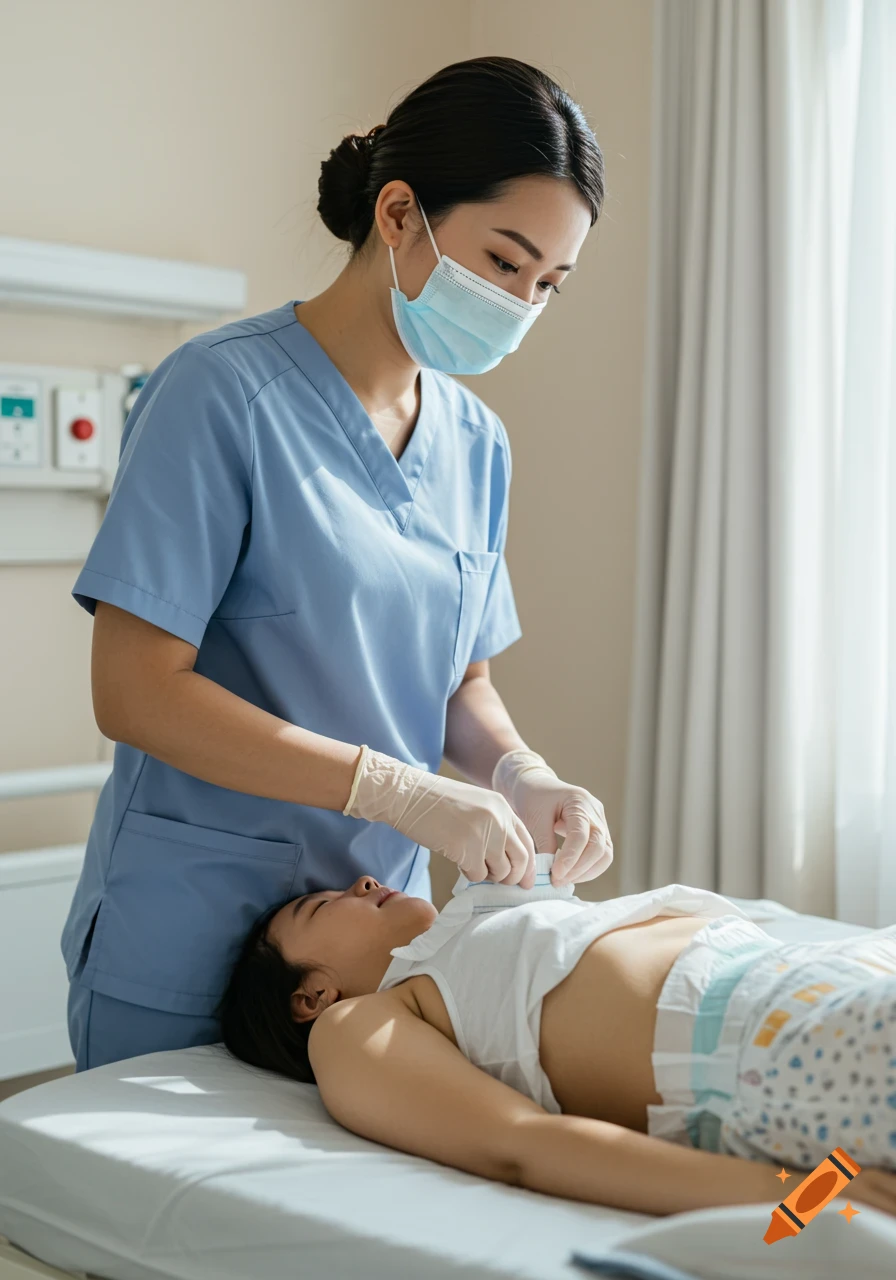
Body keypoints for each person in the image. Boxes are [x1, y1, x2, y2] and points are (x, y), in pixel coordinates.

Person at [61, 56, 615, 1072]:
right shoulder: (218, 396)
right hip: (194, 928)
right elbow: (135, 692)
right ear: (398, 214)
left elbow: (460, 679)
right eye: (503, 262)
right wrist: (395, 790)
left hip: (378, 955)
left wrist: (517, 773)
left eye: (547, 285)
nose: (521, 305)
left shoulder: (476, 442)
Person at [218, 869, 896, 1221]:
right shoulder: (358, 1025)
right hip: (775, 1044)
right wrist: (797, 1198)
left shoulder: (466, 936)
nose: (363, 881)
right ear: (310, 997)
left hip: (827, 973)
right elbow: (523, 1145)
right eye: (324, 903)